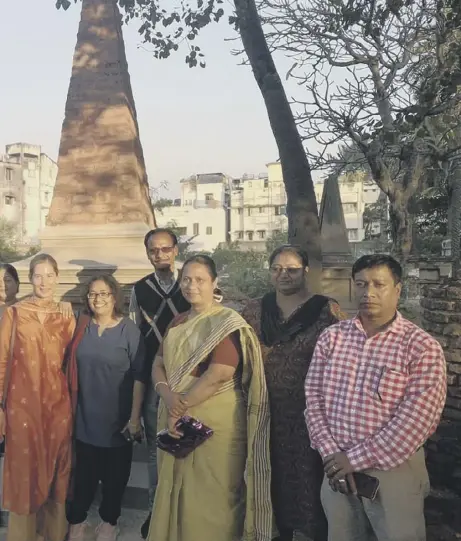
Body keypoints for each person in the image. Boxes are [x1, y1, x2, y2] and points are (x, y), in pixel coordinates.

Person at [305, 254, 447, 541]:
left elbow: (416, 422)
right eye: (361, 284)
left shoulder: (420, 347)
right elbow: (313, 400)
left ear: (397, 289)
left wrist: (353, 459)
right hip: (336, 471)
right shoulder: (332, 338)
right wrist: (331, 454)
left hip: (393, 472)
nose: (368, 292)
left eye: (379, 284)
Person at [148, 254, 273, 541]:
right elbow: (157, 364)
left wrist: (179, 406)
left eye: (200, 280)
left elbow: (220, 372)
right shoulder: (178, 321)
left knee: (214, 495)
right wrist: (167, 396)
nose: (192, 286)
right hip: (176, 414)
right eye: (187, 280)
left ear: (214, 282)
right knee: (178, 492)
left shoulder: (225, 321)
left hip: (215, 422)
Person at [241, 245, 345, 541]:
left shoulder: (326, 311)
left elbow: (344, 357)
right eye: (276, 269)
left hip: (309, 413)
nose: (283, 275)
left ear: (306, 271)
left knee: (307, 476)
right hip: (263, 410)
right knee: (267, 471)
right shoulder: (255, 309)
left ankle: (311, 533)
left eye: (291, 269)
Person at [0, 254, 76, 541]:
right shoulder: (15, 313)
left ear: (57, 277)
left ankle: (53, 535)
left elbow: (71, 362)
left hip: (58, 403)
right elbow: (2, 361)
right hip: (22, 405)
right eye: (37, 276)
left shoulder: (67, 314)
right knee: (24, 471)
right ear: (30, 279)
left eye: (49, 275)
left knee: (58, 470)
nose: (43, 282)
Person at [66, 274, 146, 541]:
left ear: (114, 297)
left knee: (115, 478)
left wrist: (135, 418)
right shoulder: (81, 326)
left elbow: (139, 375)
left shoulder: (129, 331)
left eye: (103, 294)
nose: (98, 299)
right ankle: (77, 522)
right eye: (92, 294)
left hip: (117, 420)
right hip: (84, 417)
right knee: (83, 477)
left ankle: (109, 522)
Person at [129, 228, 190, 538]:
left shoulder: (191, 282)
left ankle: (186, 510)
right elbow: (137, 337)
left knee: (190, 445)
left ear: (176, 251)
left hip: (191, 377)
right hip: (155, 377)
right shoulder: (140, 290)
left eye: (166, 249)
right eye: (154, 250)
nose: (160, 254)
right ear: (148, 254)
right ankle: (157, 511)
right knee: (157, 447)